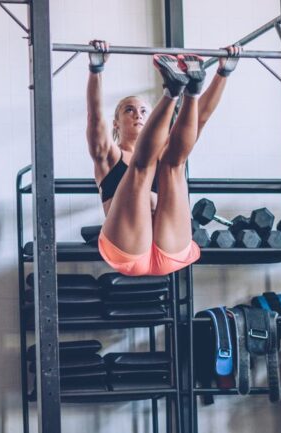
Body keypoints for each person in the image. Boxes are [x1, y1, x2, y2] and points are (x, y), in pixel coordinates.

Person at [86, 40, 242, 276]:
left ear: (152, 118)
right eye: (129, 109)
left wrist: (224, 72)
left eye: (143, 111)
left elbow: (200, 118)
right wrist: (96, 70)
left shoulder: (166, 149)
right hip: (127, 249)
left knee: (174, 163)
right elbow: (95, 117)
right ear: (116, 122)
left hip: (170, 248)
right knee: (141, 167)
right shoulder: (109, 156)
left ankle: (188, 90)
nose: (137, 114)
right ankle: (172, 91)